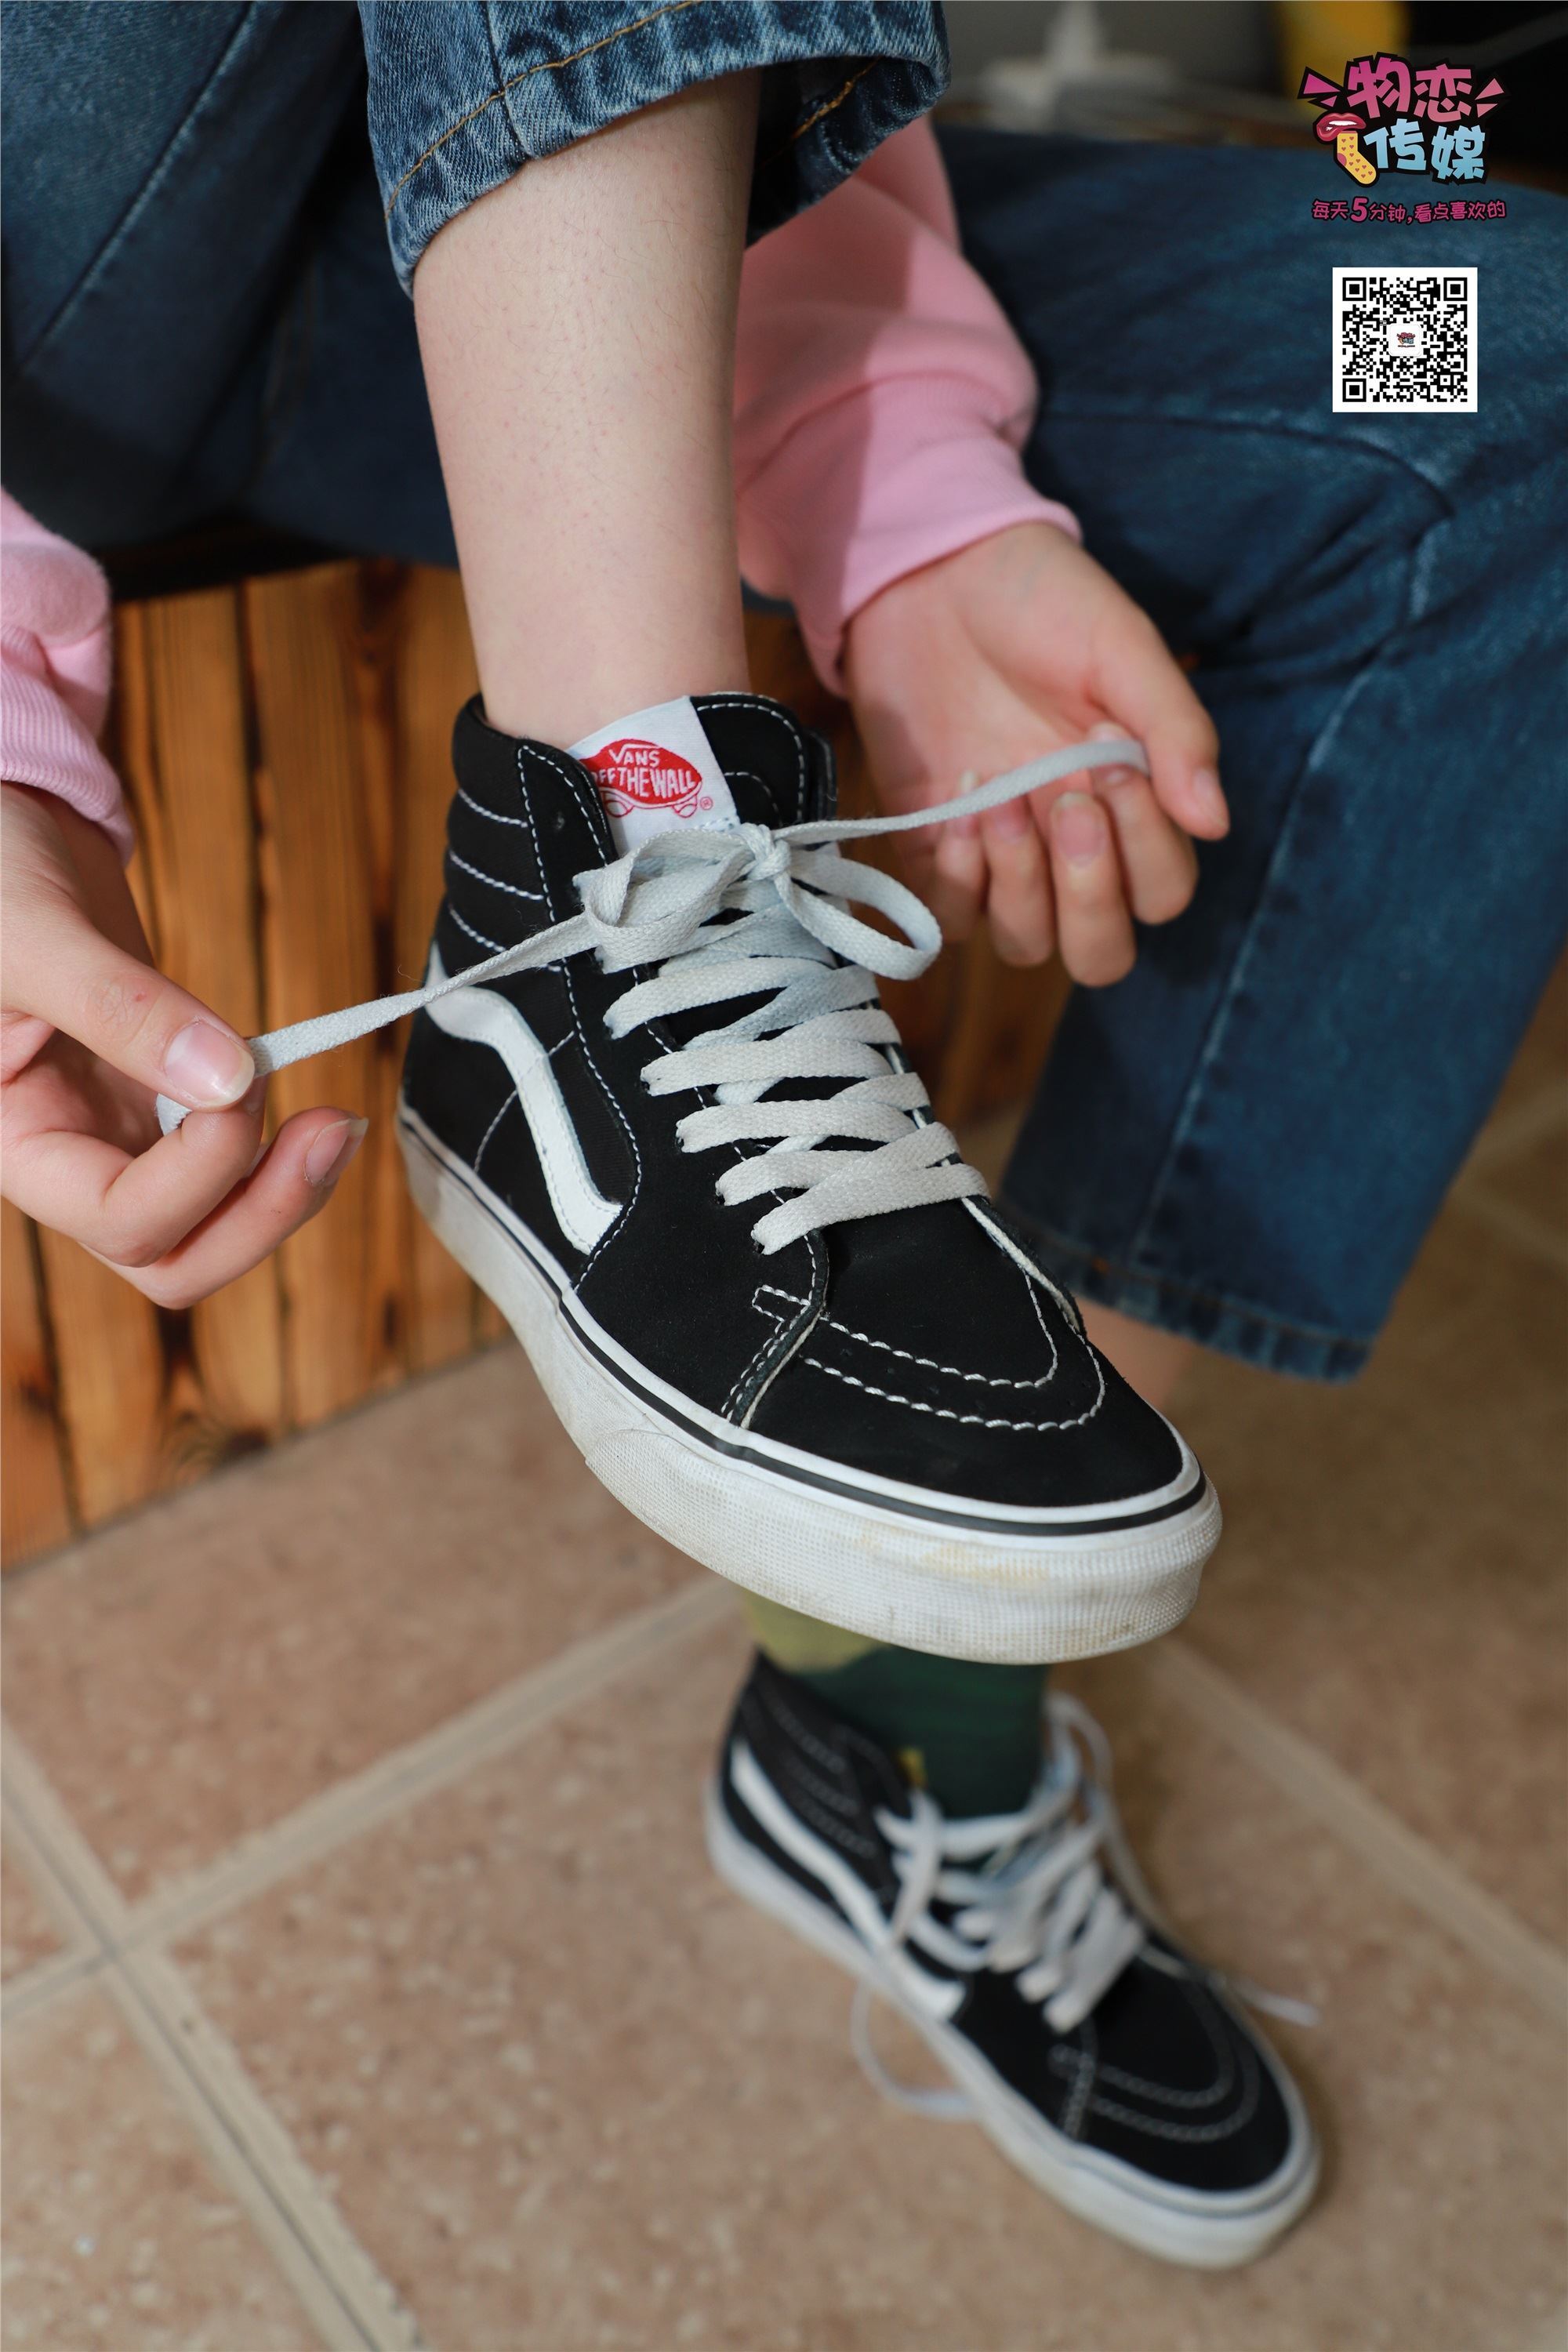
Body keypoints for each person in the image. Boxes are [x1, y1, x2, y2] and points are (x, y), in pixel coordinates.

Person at [2, 2, 1563, 2274]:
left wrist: (907, 487)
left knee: (1486, 371)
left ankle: (896, 1711)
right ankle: (619, 863)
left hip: (580, 247)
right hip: (88, 280)